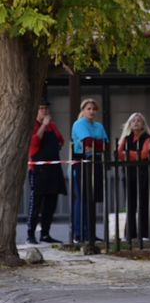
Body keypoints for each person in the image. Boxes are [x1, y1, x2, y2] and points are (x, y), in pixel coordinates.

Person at [26, 98, 67, 244]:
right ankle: (30, 234)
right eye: (41, 108)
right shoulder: (33, 125)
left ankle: (45, 233)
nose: (44, 111)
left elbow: (61, 140)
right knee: (36, 203)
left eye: (46, 108)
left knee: (51, 203)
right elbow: (34, 143)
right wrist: (43, 125)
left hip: (53, 168)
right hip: (38, 169)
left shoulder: (53, 126)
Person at [71, 98, 109, 243]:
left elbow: (106, 144)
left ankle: (91, 232)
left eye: (94, 109)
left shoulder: (98, 126)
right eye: (89, 108)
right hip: (82, 162)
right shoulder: (79, 124)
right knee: (82, 198)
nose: (92, 111)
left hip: (97, 161)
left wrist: (95, 144)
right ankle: (79, 233)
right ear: (83, 110)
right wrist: (96, 144)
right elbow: (87, 143)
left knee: (92, 199)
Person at [117, 113, 150, 240]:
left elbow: (145, 154)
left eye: (139, 120)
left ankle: (144, 234)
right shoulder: (126, 138)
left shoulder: (149, 138)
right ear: (129, 123)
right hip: (129, 174)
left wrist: (128, 154)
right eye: (133, 120)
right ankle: (130, 234)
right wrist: (134, 154)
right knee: (130, 204)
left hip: (145, 174)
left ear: (143, 124)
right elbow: (118, 154)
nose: (136, 122)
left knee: (143, 204)